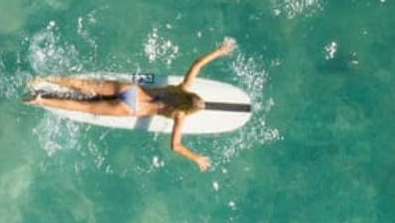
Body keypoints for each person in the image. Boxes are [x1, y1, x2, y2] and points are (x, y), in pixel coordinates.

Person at [23, 38, 237, 171]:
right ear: (189, 110)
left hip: (131, 91)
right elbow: (175, 146)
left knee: (85, 85)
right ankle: (40, 99)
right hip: (131, 109)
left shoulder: (182, 88)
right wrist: (195, 158)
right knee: (86, 108)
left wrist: (219, 51)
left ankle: (44, 79)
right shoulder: (179, 115)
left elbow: (197, 63)